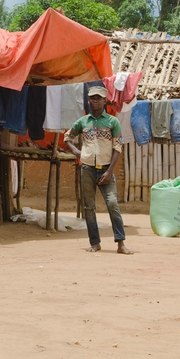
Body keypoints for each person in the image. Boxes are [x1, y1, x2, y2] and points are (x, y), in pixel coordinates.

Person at [64, 85, 132, 255]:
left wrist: (109, 172)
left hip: (105, 169)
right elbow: (68, 137)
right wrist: (77, 152)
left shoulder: (112, 122)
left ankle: (121, 243)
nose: (94, 101)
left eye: (98, 98)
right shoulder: (83, 122)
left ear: (104, 101)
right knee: (89, 207)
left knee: (113, 203)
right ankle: (95, 243)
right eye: (91, 98)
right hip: (87, 168)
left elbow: (118, 147)